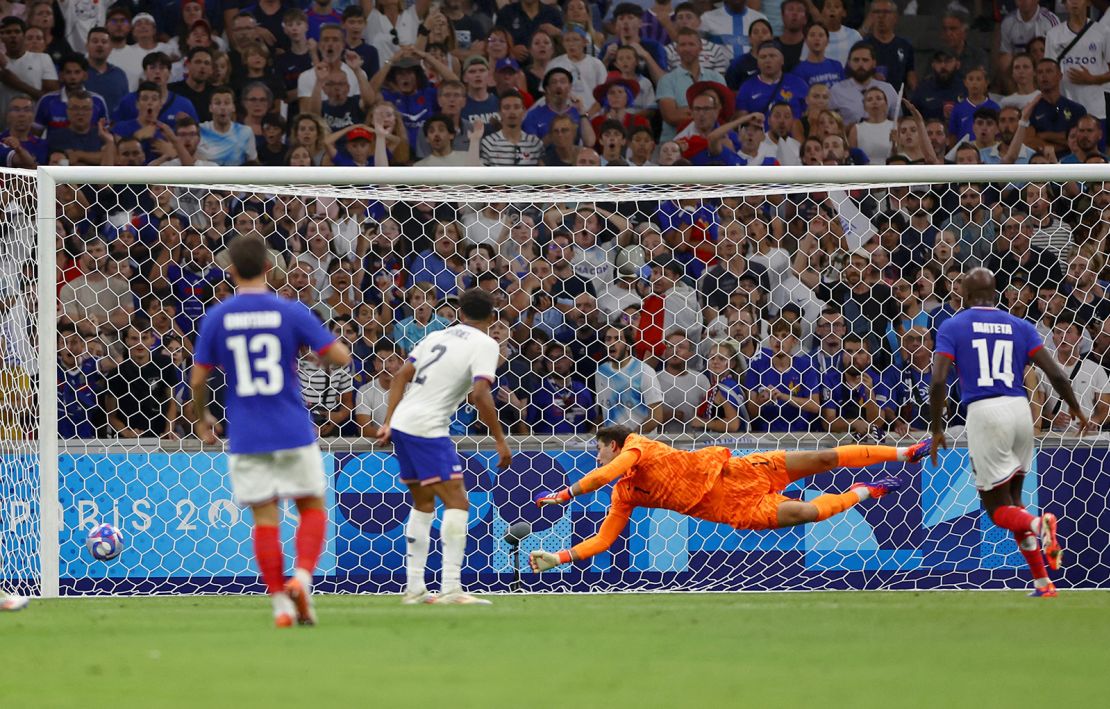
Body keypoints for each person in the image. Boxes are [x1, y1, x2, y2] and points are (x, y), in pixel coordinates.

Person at [191, 233, 353, 627]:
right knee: (311, 506)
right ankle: (302, 577)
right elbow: (339, 356)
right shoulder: (290, 312)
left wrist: (201, 418)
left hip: (246, 434)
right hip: (293, 428)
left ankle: (280, 604)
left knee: (266, 519)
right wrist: (312, 348)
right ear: (270, 268)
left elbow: (198, 379)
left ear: (230, 271)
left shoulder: (218, 316)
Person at [528, 424, 929, 572]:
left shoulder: (637, 446)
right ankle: (866, 491)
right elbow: (604, 539)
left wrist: (564, 494)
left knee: (823, 456)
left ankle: (905, 452)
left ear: (613, 445)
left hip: (738, 471)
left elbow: (603, 474)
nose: (596, 456)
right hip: (732, 508)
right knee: (806, 511)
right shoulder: (626, 494)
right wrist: (560, 558)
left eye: (599, 449)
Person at [929, 267, 1090, 598]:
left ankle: (1038, 525)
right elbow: (1056, 374)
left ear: (964, 294)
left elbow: (938, 380)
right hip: (1020, 410)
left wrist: (936, 428)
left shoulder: (953, 326)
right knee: (1015, 501)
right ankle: (1043, 582)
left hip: (986, 413)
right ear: (997, 293)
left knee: (996, 509)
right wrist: (1075, 408)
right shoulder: (1020, 326)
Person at [376, 288, 512, 606]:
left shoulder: (436, 336)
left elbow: (398, 377)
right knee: (458, 503)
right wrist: (500, 439)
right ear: (492, 318)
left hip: (404, 424)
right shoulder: (486, 344)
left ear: (459, 314)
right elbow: (480, 395)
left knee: (423, 504)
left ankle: (414, 589)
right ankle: (451, 588)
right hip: (428, 427)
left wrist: (388, 421)